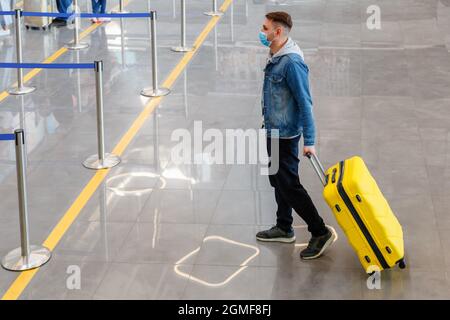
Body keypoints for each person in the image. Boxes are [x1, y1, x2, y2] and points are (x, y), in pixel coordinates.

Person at [255, 11, 336, 260]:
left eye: (265, 27)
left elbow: (305, 102)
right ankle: (283, 226)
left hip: (286, 135)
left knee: (289, 184)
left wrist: (310, 141)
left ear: (278, 32)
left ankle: (320, 231)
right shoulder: (277, 54)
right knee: (278, 180)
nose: (261, 31)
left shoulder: (291, 63)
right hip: (274, 130)